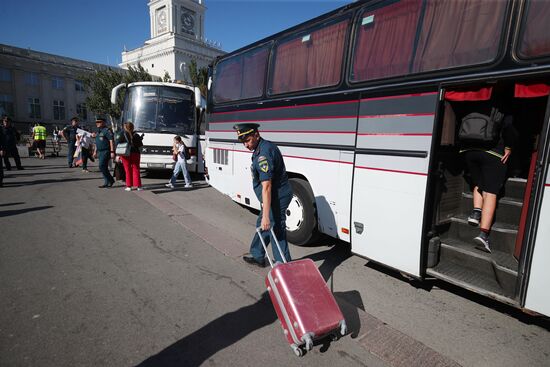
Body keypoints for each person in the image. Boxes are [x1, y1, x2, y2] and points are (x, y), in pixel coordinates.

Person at [234, 123, 293, 267]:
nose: (246, 145)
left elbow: (267, 186)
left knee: (274, 228)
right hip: (273, 196)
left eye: (247, 141)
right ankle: (258, 254)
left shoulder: (263, 155)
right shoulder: (262, 147)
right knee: (263, 225)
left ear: (256, 135)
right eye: (243, 142)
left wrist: (266, 215)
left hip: (277, 197)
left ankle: (284, 265)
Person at [461, 108, 518, 253]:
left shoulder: (478, 102)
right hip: (492, 152)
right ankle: (483, 235)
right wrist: (508, 147)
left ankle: (476, 213)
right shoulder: (501, 109)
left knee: (478, 183)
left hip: (469, 151)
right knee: (490, 192)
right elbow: (509, 129)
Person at [117, 122, 143, 191]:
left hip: (125, 153)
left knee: (127, 170)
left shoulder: (122, 134)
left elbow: (118, 143)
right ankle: (138, 186)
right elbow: (140, 145)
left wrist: (118, 155)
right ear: (133, 127)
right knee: (136, 169)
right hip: (135, 153)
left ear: (125, 127)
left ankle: (129, 186)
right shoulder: (136, 135)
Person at [93, 117, 115, 188]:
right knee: (103, 167)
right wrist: (95, 151)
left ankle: (110, 180)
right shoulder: (98, 131)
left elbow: (111, 141)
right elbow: (97, 142)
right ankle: (106, 182)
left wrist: (112, 151)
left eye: (99, 122)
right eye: (96, 122)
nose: (97, 123)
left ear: (104, 122)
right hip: (100, 151)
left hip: (106, 151)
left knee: (101, 166)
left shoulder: (107, 130)